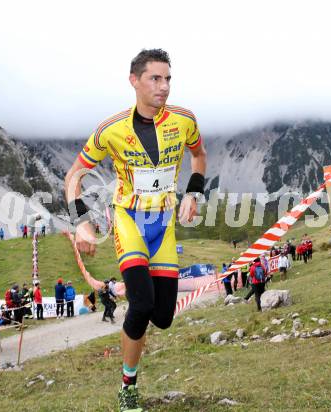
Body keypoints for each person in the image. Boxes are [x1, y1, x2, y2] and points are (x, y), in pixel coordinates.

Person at [64, 48, 207, 411]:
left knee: (162, 317)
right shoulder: (111, 130)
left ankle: (139, 323)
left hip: (164, 223)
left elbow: (199, 156)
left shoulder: (184, 120)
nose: (164, 87)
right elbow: (73, 176)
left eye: (168, 79)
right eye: (155, 79)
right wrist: (80, 223)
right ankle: (128, 385)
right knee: (141, 303)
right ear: (134, 81)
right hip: (129, 219)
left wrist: (193, 192)